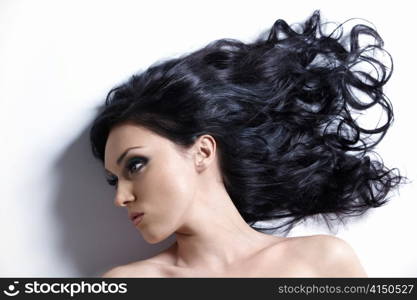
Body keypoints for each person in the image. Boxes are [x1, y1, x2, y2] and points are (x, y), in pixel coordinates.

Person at [89, 10, 409, 277]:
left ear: (202, 151)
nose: (120, 197)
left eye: (135, 165)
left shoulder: (320, 262)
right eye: (115, 180)